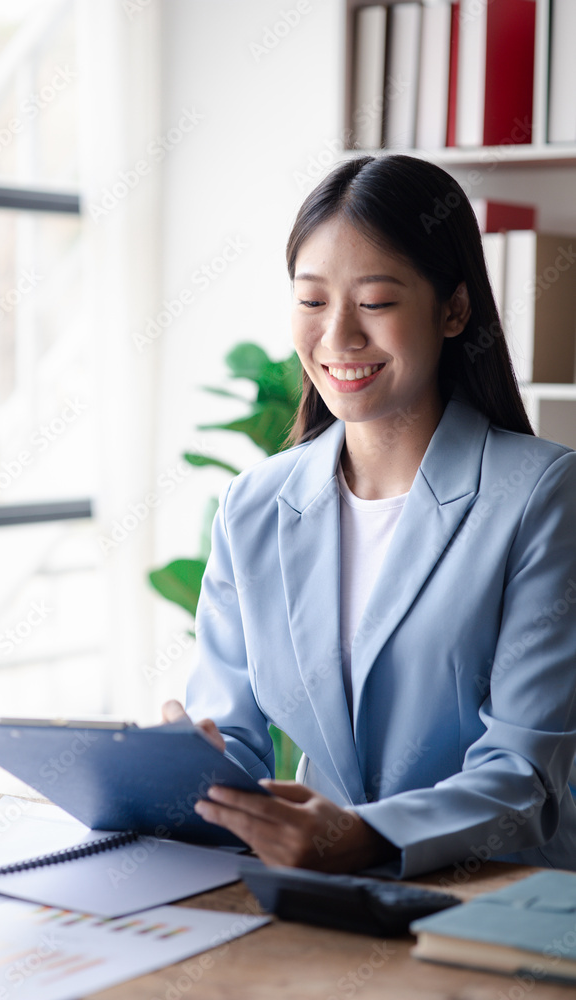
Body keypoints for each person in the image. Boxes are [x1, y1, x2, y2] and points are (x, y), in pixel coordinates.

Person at [162, 154, 576, 878]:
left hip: (502, 897)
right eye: (312, 301)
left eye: (376, 302)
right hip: (319, 896)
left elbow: (523, 777)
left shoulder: (542, 493)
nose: (338, 336)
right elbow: (233, 734)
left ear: (453, 309)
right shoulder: (253, 504)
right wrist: (201, 769)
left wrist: (364, 836)